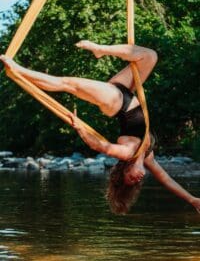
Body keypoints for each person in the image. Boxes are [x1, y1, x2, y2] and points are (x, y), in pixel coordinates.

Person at [1, 41, 200, 215]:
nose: (138, 178)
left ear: (123, 172)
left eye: (130, 180)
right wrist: (192, 200)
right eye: (137, 182)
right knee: (150, 56)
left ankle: (18, 70)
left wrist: (80, 128)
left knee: (68, 84)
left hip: (117, 101)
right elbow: (167, 180)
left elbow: (100, 146)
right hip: (127, 91)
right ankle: (100, 50)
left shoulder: (128, 153)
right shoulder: (146, 156)